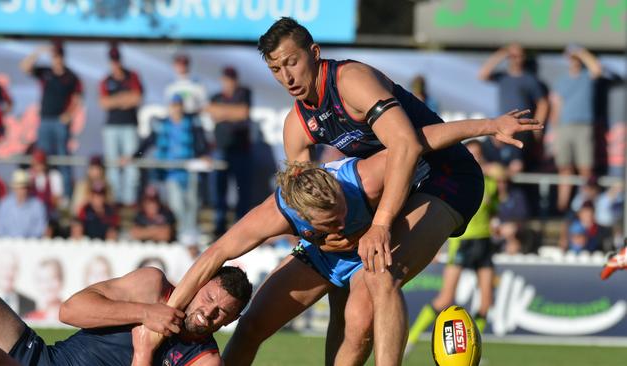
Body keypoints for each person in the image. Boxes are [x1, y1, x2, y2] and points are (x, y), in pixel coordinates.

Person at [148, 112, 541, 365]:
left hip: (371, 248)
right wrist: (170, 311)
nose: (340, 230)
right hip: (317, 258)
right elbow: (215, 253)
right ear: (302, 218)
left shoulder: (366, 177)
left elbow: (422, 139)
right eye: (328, 225)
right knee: (252, 327)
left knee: (356, 328)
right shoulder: (277, 212)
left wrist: (490, 126)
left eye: (342, 217)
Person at [0, 266, 252, 366]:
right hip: (43, 357)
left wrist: (142, 354)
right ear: (198, 283)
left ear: (230, 321)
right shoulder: (152, 286)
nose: (208, 313)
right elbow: (69, 311)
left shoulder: (204, 361)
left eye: (221, 313)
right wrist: (145, 313)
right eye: (209, 298)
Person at [406, 140, 498, 353]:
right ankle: (412, 337)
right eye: (472, 154)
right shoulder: (464, 179)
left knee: (486, 302)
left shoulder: (490, 183)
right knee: (446, 297)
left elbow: (493, 209)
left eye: (479, 155)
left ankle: (475, 348)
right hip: (462, 242)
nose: (476, 159)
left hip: (484, 242)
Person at [129, 95, 208, 235]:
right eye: (173, 105)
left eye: (178, 105)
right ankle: (182, 233)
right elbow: (148, 142)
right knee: (176, 204)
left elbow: (201, 143)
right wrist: (133, 156)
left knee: (193, 203)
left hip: (189, 171)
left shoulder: (192, 123)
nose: (176, 109)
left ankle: (190, 233)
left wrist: (203, 155)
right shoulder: (162, 124)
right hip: (171, 172)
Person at [20, 41, 82, 197]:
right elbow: (24, 67)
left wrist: (68, 115)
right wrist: (38, 51)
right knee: (41, 159)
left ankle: (66, 196)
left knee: (63, 159)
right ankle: (41, 193)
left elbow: (78, 98)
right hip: (45, 121)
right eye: (54, 56)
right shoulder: (45, 72)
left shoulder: (70, 76)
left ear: (63, 57)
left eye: (59, 55)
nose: (57, 59)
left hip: (59, 123)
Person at [479, 43, 548, 172]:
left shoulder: (530, 79)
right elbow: (482, 75)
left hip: (521, 128)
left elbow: (543, 103)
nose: (516, 59)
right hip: (502, 124)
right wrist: (502, 53)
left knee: (518, 164)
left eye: (519, 56)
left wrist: (537, 127)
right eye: (512, 56)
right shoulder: (503, 77)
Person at [549, 45, 603, 212]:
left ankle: (586, 206)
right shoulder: (561, 81)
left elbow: (597, 69)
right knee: (564, 168)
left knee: (585, 168)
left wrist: (581, 52)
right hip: (564, 128)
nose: (574, 60)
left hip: (583, 126)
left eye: (576, 58)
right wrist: (554, 131)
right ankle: (562, 207)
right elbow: (556, 107)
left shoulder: (587, 76)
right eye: (572, 57)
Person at [206, 66, 252, 237]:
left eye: (231, 80)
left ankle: (241, 226)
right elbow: (211, 111)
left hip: (240, 151)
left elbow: (243, 113)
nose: (229, 83)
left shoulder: (244, 93)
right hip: (221, 150)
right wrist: (232, 112)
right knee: (219, 190)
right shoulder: (216, 96)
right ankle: (219, 226)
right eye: (226, 80)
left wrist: (222, 112)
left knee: (241, 191)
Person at [99, 44, 143, 206]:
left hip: (129, 125)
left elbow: (137, 98)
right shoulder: (106, 80)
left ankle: (129, 201)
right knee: (113, 165)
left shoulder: (132, 76)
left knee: (131, 163)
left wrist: (115, 100)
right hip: (112, 127)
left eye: (117, 59)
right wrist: (124, 99)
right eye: (112, 60)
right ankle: (115, 201)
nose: (115, 63)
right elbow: (103, 103)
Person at [0, 169, 47, 238]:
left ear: (29, 188)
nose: (22, 190)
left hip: (30, 245)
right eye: (19, 187)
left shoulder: (38, 205)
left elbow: (40, 230)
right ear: (14, 188)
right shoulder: (3, 204)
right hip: (7, 245)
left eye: (25, 187)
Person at [24, 259, 64, 323]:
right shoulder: (31, 319)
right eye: (42, 280)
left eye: (53, 278)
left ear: (61, 281)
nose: (48, 286)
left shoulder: (72, 315)